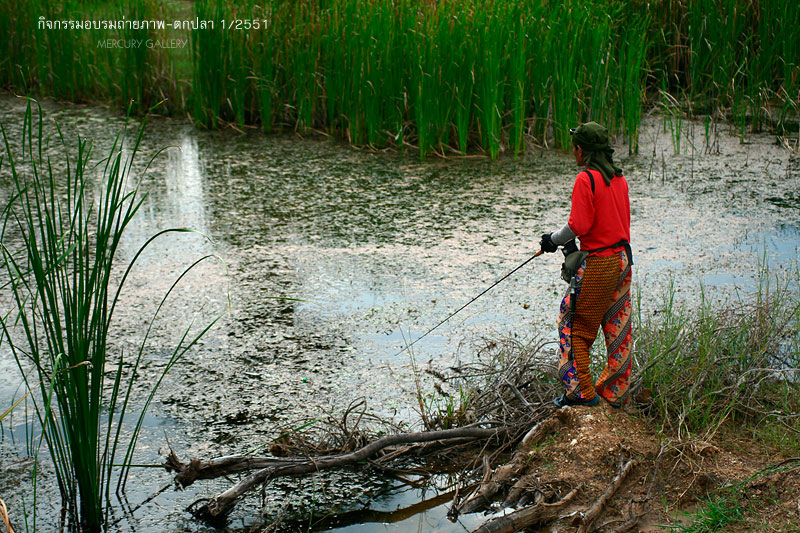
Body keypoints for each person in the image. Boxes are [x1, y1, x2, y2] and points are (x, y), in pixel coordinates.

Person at [539, 122, 633, 408]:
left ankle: (580, 391)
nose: (574, 153)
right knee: (618, 325)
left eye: (575, 148)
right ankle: (615, 392)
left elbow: (578, 225)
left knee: (573, 324)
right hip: (623, 260)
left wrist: (552, 241)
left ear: (582, 150)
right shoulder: (619, 179)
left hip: (600, 264)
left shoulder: (586, 179)